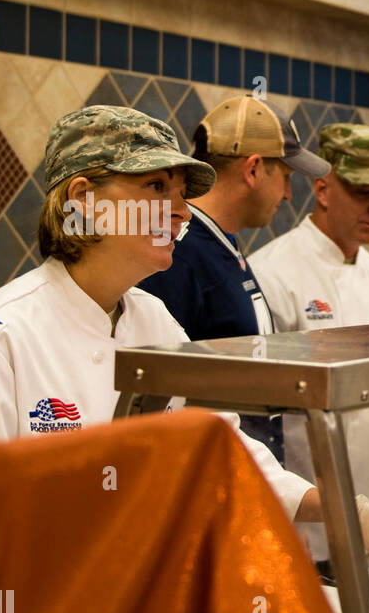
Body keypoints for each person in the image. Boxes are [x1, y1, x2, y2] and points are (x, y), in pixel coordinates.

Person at [0, 105, 369, 578]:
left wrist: (345, 508)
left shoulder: (152, 320)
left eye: (181, 192)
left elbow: (222, 449)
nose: (182, 212)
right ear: (82, 199)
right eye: (155, 188)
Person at [248, 124, 369, 557]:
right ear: (323, 190)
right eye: (364, 192)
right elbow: (254, 420)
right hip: (293, 525)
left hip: (368, 525)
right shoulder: (270, 275)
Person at [137, 95, 329, 461]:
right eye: (286, 177)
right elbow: (154, 396)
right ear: (253, 169)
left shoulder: (221, 243)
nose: (289, 195)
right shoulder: (179, 255)